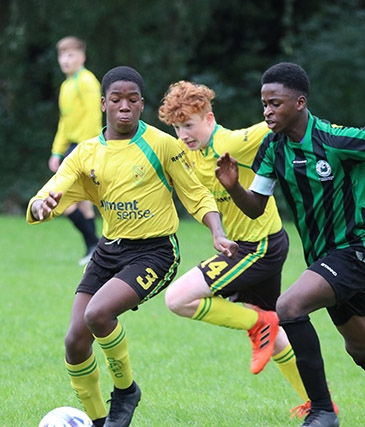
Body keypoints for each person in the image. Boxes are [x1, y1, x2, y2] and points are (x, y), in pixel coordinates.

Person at [215, 62, 365, 427]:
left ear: (300, 103)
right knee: (361, 345)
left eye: (276, 103)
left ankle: (321, 411)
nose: (268, 112)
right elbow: (256, 208)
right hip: (324, 258)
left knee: (288, 305)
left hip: (358, 248)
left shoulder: (336, 138)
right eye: (264, 104)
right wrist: (232, 186)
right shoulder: (273, 149)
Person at [27, 66, 237, 427]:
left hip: (155, 252)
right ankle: (98, 421)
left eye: (133, 100)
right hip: (109, 250)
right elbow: (50, 192)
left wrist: (216, 232)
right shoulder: (86, 154)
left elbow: (196, 193)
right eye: (117, 99)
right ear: (103, 103)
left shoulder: (163, 145)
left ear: (142, 105)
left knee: (98, 315)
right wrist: (40, 205)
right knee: (76, 341)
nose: (124, 106)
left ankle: (125, 391)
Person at [158, 80, 336, 418]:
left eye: (190, 125)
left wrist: (329, 135)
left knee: (178, 298)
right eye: (178, 127)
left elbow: (281, 123)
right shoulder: (188, 155)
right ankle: (320, 404)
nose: (183, 134)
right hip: (249, 246)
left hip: (259, 248)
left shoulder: (232, 142)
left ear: (209, 118)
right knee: (278, 333)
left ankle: (257, 323)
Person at [49, 36, 101, 266]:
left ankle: (96, 246)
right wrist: (56, 152)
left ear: (82, 57)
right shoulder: (66, 85)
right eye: (62, 55)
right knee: (83, 202)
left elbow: (93, 116)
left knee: (61, 201)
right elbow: (64, 122)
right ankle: (94, 249)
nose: (65, 60)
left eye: (70, 55)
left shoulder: (87, 81)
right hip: (71, 147)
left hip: (84, 147)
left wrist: (86, 149)